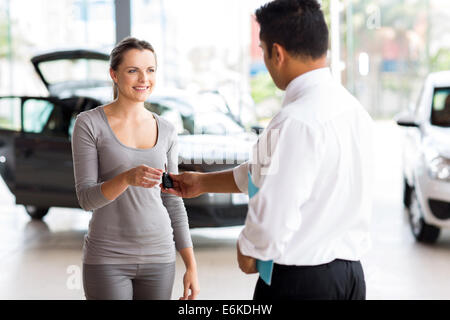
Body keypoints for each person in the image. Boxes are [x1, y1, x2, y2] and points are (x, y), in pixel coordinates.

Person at [162, 0, 373, 300]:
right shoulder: (353, 110)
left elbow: (277, 208)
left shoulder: (295, 121)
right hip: (351, 277)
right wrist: (203, 182)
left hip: (302, 282)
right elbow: (268, 170)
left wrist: (249, 249)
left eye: (262, 50)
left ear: (278, 53)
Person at [71, 37, 199, 300]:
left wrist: (191, 265)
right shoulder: (89, 124)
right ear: (114, 74)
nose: (144, 79)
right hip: (107, 257)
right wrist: (126, 178)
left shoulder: (167, 130)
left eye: (150, 70)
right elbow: (86, 199)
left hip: (160, 256)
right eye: (133, 70)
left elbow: (173, 201)